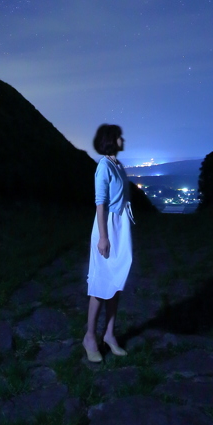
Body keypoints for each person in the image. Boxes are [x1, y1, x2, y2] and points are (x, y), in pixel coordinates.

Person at [83, 123, 135, 362]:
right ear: (112, 140)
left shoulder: (117, 164)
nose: (123, 139)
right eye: (119, 137)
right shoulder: (104, 166)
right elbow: (100, 204)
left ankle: (110, 335)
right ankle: (90, 336)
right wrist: (103, 237)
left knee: (116, 280)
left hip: (120, 226)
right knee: (102, 282)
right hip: (108, 226)